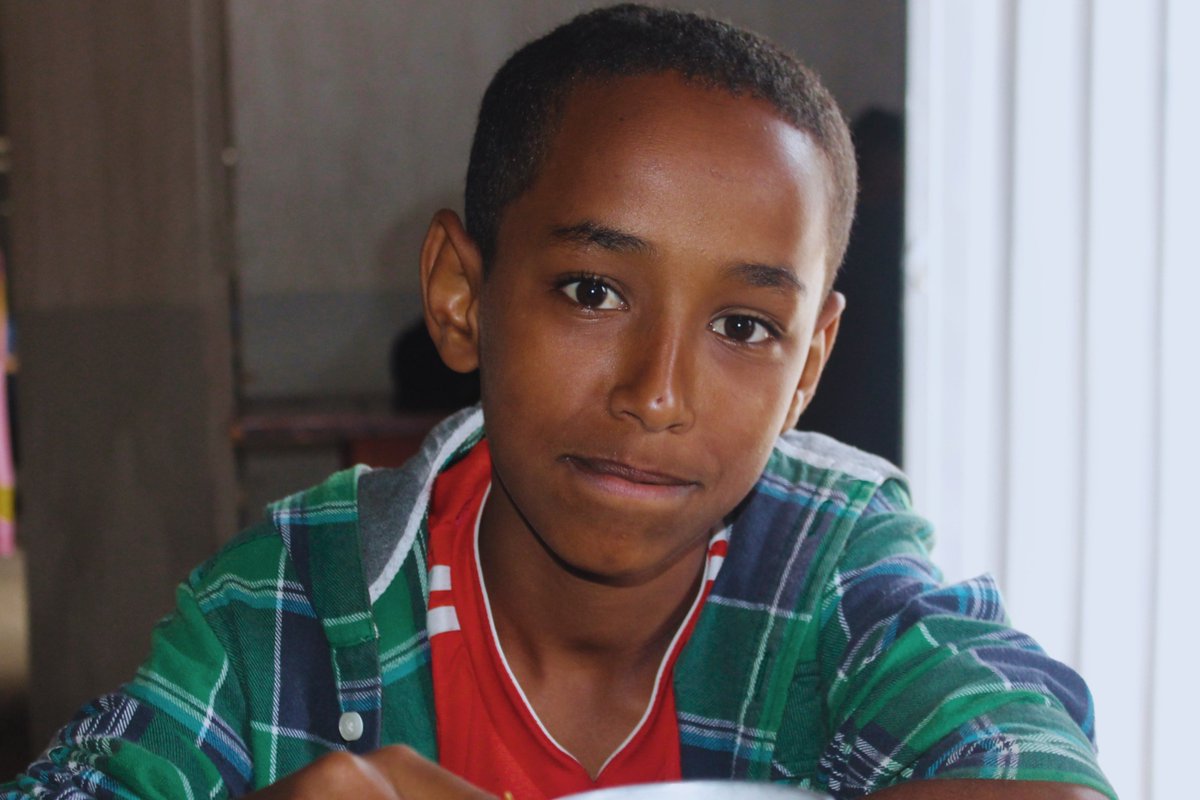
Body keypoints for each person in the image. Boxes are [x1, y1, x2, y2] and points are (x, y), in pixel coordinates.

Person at [3, 5, 1115, 799]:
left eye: (744, 327)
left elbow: (1032, 765)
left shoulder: (835, 574)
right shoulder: (282, 606)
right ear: (460, 295)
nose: (658, 392)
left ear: (810, 360)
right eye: (593, 291)